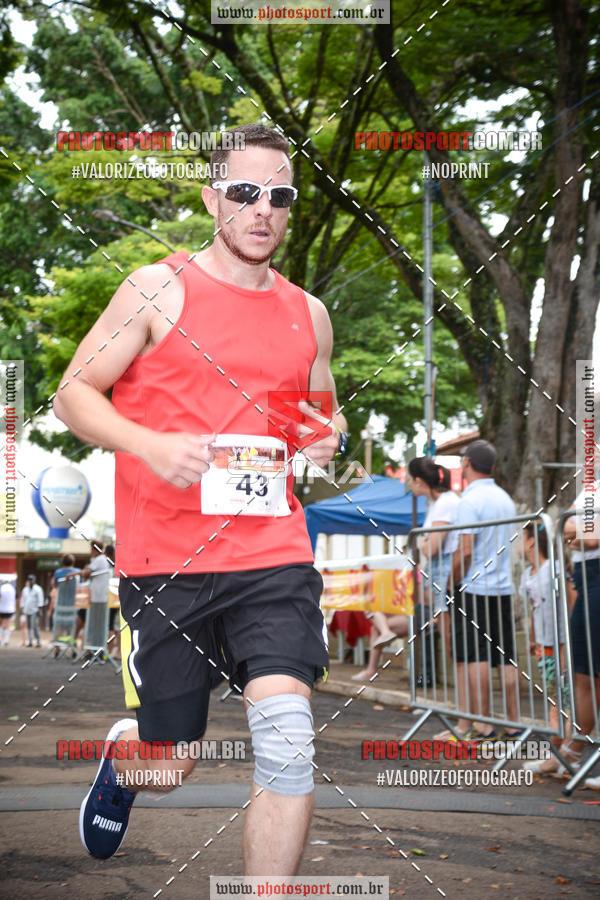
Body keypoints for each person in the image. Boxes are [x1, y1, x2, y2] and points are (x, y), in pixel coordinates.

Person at [53, 122, 347, 869]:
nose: (262, 210)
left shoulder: (308, 313)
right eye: (245, 193)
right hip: (168, 563)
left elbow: (320, 411)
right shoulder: (158, 288)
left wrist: (325, 434)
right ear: (213, 196)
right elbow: (73, 393)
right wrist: (149, 445)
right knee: (172, 763)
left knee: (287, 738)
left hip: (271, 553)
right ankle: (127, 762)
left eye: (278, 196)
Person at [448, 440, 520, 742]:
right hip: (502, 586)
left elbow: (465, 549)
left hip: (476, 585)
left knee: (475, 655)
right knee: (505, 657)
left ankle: (484, 725)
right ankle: (515, 725)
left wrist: (452, 582)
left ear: (466, 464)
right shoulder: (505, 498)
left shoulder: (470, 501)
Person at [518, 522, 571, 774]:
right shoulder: (528, 574)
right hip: (543, 646)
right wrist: (533, 638)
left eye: (521, 538)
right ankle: (558, 755)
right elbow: (533, 607)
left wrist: (565, 650)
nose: (517, 544)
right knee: (554, 698)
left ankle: (563, 754)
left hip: (560, 645)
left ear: (531, 542)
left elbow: (567, 610)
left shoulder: (554, 569)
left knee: (565, 700)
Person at [406, 457, 460, 693]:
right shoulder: (440, 503)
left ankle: (466, 715)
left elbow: (431, 547)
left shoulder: (444, 504)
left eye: (409, 479)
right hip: (442, 572)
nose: (408, 484)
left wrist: (425, 541)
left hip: (446, 572)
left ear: (419, 481)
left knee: (452, 641)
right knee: (449, 639)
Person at [562, 479, 600, 784]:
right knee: (584, 672)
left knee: (593, 671)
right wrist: (578, 535)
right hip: (585, 579)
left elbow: (588, 539)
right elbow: (565, 529)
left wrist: (577, 535)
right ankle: (572, 751)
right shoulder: (591, 489)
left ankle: (573, 750)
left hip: (595, 575)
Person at [49, 554, 80, 658]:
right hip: (74, 605)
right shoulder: (78, 571)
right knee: (73, 627)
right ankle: (73, 649)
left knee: (58, 627)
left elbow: (54, 585)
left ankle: (57, 649)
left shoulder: (58, 573)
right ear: (73, 562)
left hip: (60, 603)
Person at [20, 574, 44, 648]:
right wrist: (22, 608)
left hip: (34, 610)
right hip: (27, 610)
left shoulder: (38, 589)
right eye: (29, 580)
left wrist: (39, 610)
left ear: (34, 580)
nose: (30, 581)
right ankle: (30, 641)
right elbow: (23, 600)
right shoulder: (25, 589)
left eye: (32, 580)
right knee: (29, 627)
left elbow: (40, 600)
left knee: (35, 626)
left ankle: (38, 641)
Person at [0, 577, 16, 646]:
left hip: (1, 608)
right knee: (7, 625)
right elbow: (15, 599)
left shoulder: (2, 588)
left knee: (1, 624)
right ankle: (6, 640)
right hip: (10, 609)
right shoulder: (12, 588)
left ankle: (0, 640)